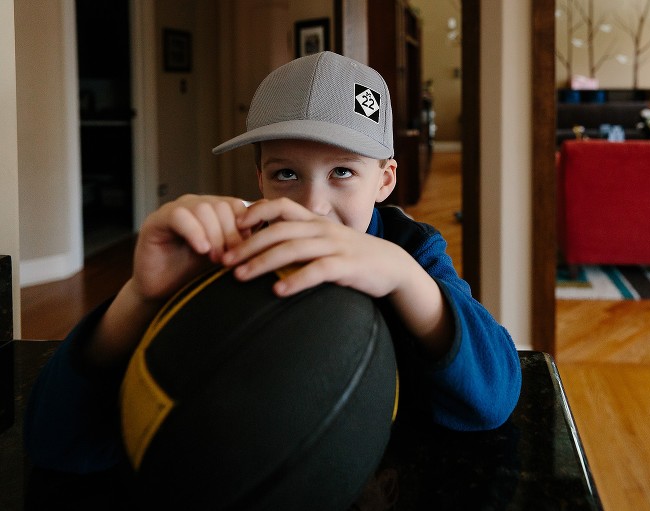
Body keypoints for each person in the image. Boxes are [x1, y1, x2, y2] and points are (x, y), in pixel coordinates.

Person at [24, 52, 521, 505]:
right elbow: (56, 442)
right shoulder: (228, 252)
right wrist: (140, 297)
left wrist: (403, 277)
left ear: (385, 179)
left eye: (343, 172)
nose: (313, 206)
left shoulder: (411, 250)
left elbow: (493, 399)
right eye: (287, 174)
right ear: (259, 177)